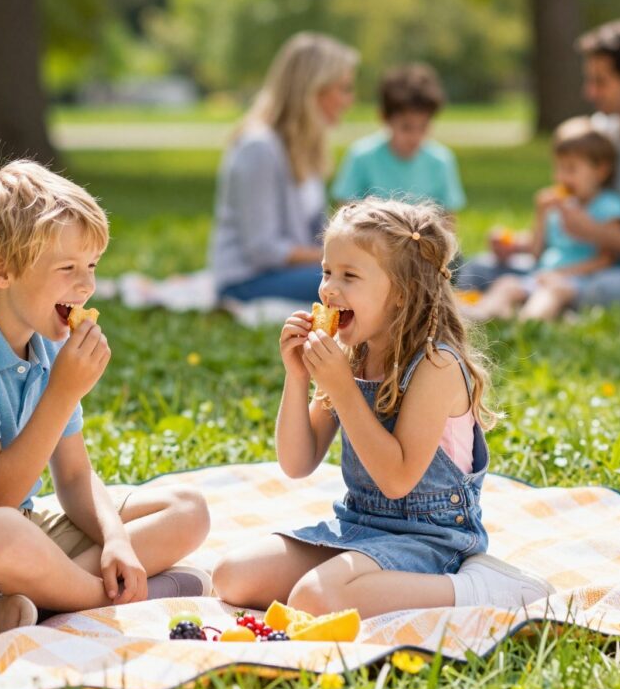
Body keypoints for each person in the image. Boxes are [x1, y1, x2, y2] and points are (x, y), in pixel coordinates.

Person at [0, 160, 211, 633]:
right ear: (1, 270)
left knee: (188, 508)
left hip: (19, 535)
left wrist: (116, 541)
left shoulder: (46, 343)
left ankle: (41, 598)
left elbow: (72, 474)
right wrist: (63, 391)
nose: (87, 285)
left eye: (91, 266)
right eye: (68, 268)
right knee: (6, 532)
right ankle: (106, 596)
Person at [212, 199, 553, 618]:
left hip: (430, 540)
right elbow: (296, 463)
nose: (328, 289)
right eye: (326, 271)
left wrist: (342, 387)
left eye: (349, 276)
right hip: (360, 526)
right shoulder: (350, 354)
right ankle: (354, 579)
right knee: (232, 575)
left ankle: (479, 588)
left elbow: (396, 480)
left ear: (400, 294)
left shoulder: (436, 366)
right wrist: (298, 377)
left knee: (316, 600)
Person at [458, 19, 620, 314]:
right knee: (481, 267)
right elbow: (575, 223)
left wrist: (597, 234)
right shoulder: (602, 133)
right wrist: (519, 244)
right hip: (587, 263)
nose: (590, 91)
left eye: (601, 81)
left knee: (586, 288)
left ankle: (528, 313)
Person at [210, 32, 358, 304]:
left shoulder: (303, 146)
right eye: (343, 88)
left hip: (290, 273)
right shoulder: (258, 148)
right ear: (314, 89)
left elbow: (315, 232)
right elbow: (262, 249)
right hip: (248, 281)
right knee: (361, 282)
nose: (348, 99)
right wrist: (342, 259)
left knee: (372, 275)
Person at [467, 117, 620, 321]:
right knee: (507, 283)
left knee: (551, 292)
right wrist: (541, 214)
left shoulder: (610, 207)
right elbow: (537, 252)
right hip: (543, 273)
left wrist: (563, 273)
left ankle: (530, 323)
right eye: (559, 168)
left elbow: (606, 260)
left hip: (579, 280)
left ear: (601, 170)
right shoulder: (560, 206)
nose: (562, 177)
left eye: (571, 169)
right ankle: (483, 316)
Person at [331, 63, 466, 215]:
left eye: (423, 127)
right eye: (406, 127)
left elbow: (448, 223)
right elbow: (343, 217)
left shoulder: (441, 161)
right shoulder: (362, 156)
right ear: (384, 118)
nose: (415, 137)